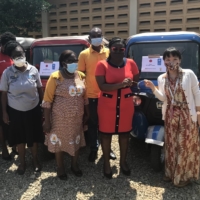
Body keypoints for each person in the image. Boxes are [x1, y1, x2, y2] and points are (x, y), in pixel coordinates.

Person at [144, 47, 200, 187]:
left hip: (187, 114)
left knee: (185, 145)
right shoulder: (161, 78)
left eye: (175, 59)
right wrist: (153, 88)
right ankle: (170, 173)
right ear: (163, 62)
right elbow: (164, 98)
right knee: (171, 146)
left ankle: (182, 176)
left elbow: (196, 92)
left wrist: (198, 112)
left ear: (180, 60)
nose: (171, 62)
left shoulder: (189, 74)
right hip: (170, 115)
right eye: (168, 59)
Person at [95, 37, 139, 179]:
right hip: (107, 106)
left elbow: (135, 81)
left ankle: (123, 162)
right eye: (115, 49)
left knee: (125, 134)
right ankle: (106, 163)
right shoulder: (102, 65)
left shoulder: (131, 63)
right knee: (106, 135)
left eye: (122, 49)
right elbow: (102, 86)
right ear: (110, 50)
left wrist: (131, 83)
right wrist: (121, 84)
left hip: (126, 105)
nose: (118, 52)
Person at [42, 50, 89, 180]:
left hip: (77, 117)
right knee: (58, 142)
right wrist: (47, 121)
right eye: (70, 61)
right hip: (59, 118)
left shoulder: (80, 75)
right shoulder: (55, 77)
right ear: (63, 63)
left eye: (75, 60)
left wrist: (87, 112)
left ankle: (74, 165)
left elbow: (85, 96)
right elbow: (47, 100)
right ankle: (60, 167)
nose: (74, 63)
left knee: (76, 140)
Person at [0, 41, 44, 175]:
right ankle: (22, 163)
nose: (18, 58)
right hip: (16, 111)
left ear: (24, 54)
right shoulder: (7, 73)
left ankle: (35, 161)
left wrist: (43, 105)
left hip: (33, 109)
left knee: (34, 137)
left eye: (20, 54)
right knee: (20, 139)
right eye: (15, 56)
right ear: (11, 59)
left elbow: (39, 88)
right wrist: (4, 112)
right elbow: (3, 93)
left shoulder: (33, 70)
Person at [78, 27, 116, 162]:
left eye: (99, 35)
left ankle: (108, 148)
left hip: (108, 94)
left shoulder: (109, 52)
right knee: (93, 123)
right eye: (93, 36)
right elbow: (80, 73)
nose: (96, 38)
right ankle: (94, 148)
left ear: (102, 36)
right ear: (89, 39)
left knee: (107, 123)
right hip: (92, 95)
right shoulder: (84, 54)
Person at [0, 32, 17, 160]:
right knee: (1, 122)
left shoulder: (12, 54)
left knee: (13, 120)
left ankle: (14, 145)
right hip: (1, 93)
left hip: (12, 93)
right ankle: (4, 149)